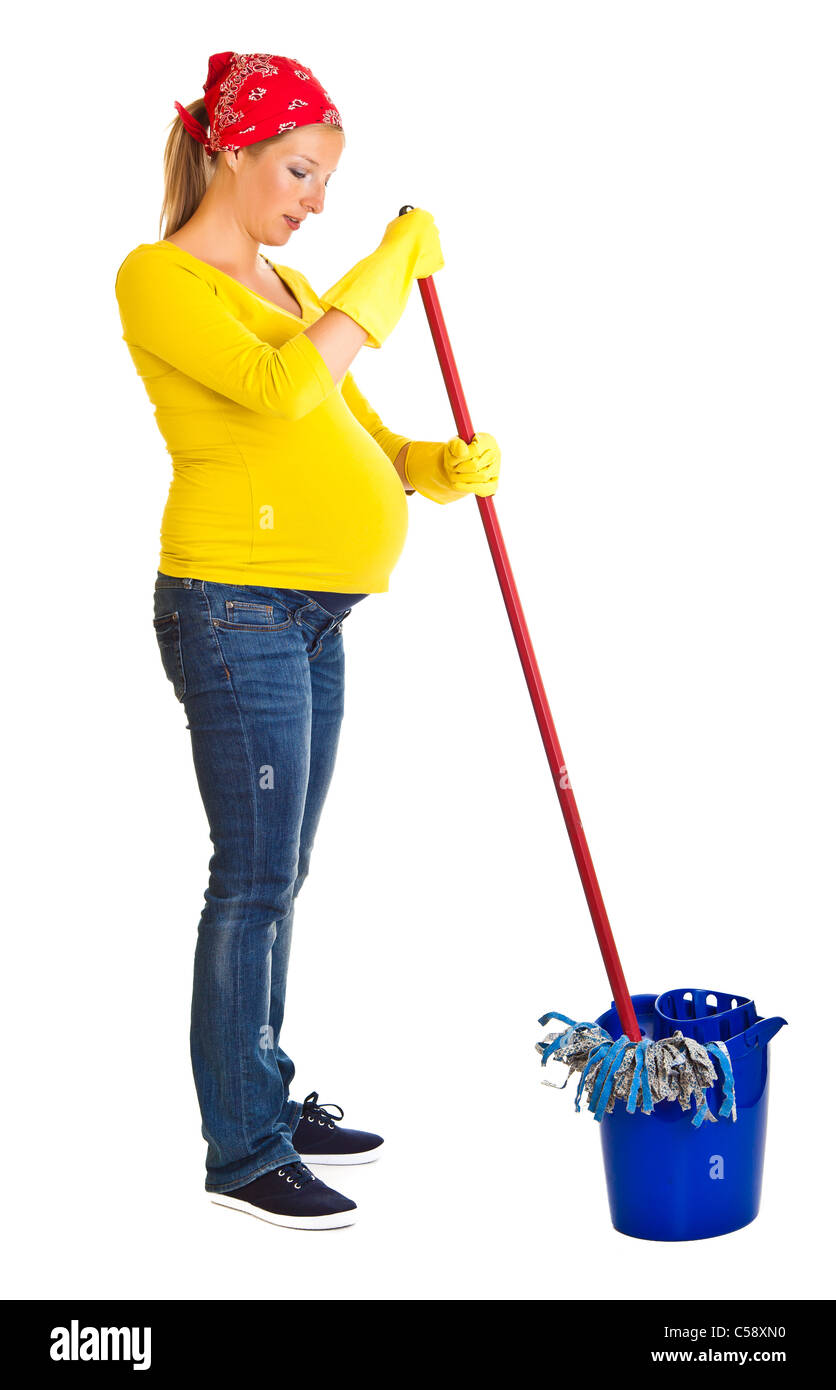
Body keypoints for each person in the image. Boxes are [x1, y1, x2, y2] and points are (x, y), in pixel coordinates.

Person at [114, 50, 501, 1231]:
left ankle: (265, 1091)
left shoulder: (288, 285)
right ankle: (242, 1148)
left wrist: (428, 467)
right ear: (231, 153)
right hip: (234, 610)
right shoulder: (158, 278)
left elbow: (349, 419)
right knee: (252, 880)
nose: (313, 201)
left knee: (283, 877)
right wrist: (384, 274)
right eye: (297, 170)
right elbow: (279, 393)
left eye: (326, 180)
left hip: (310, 618)